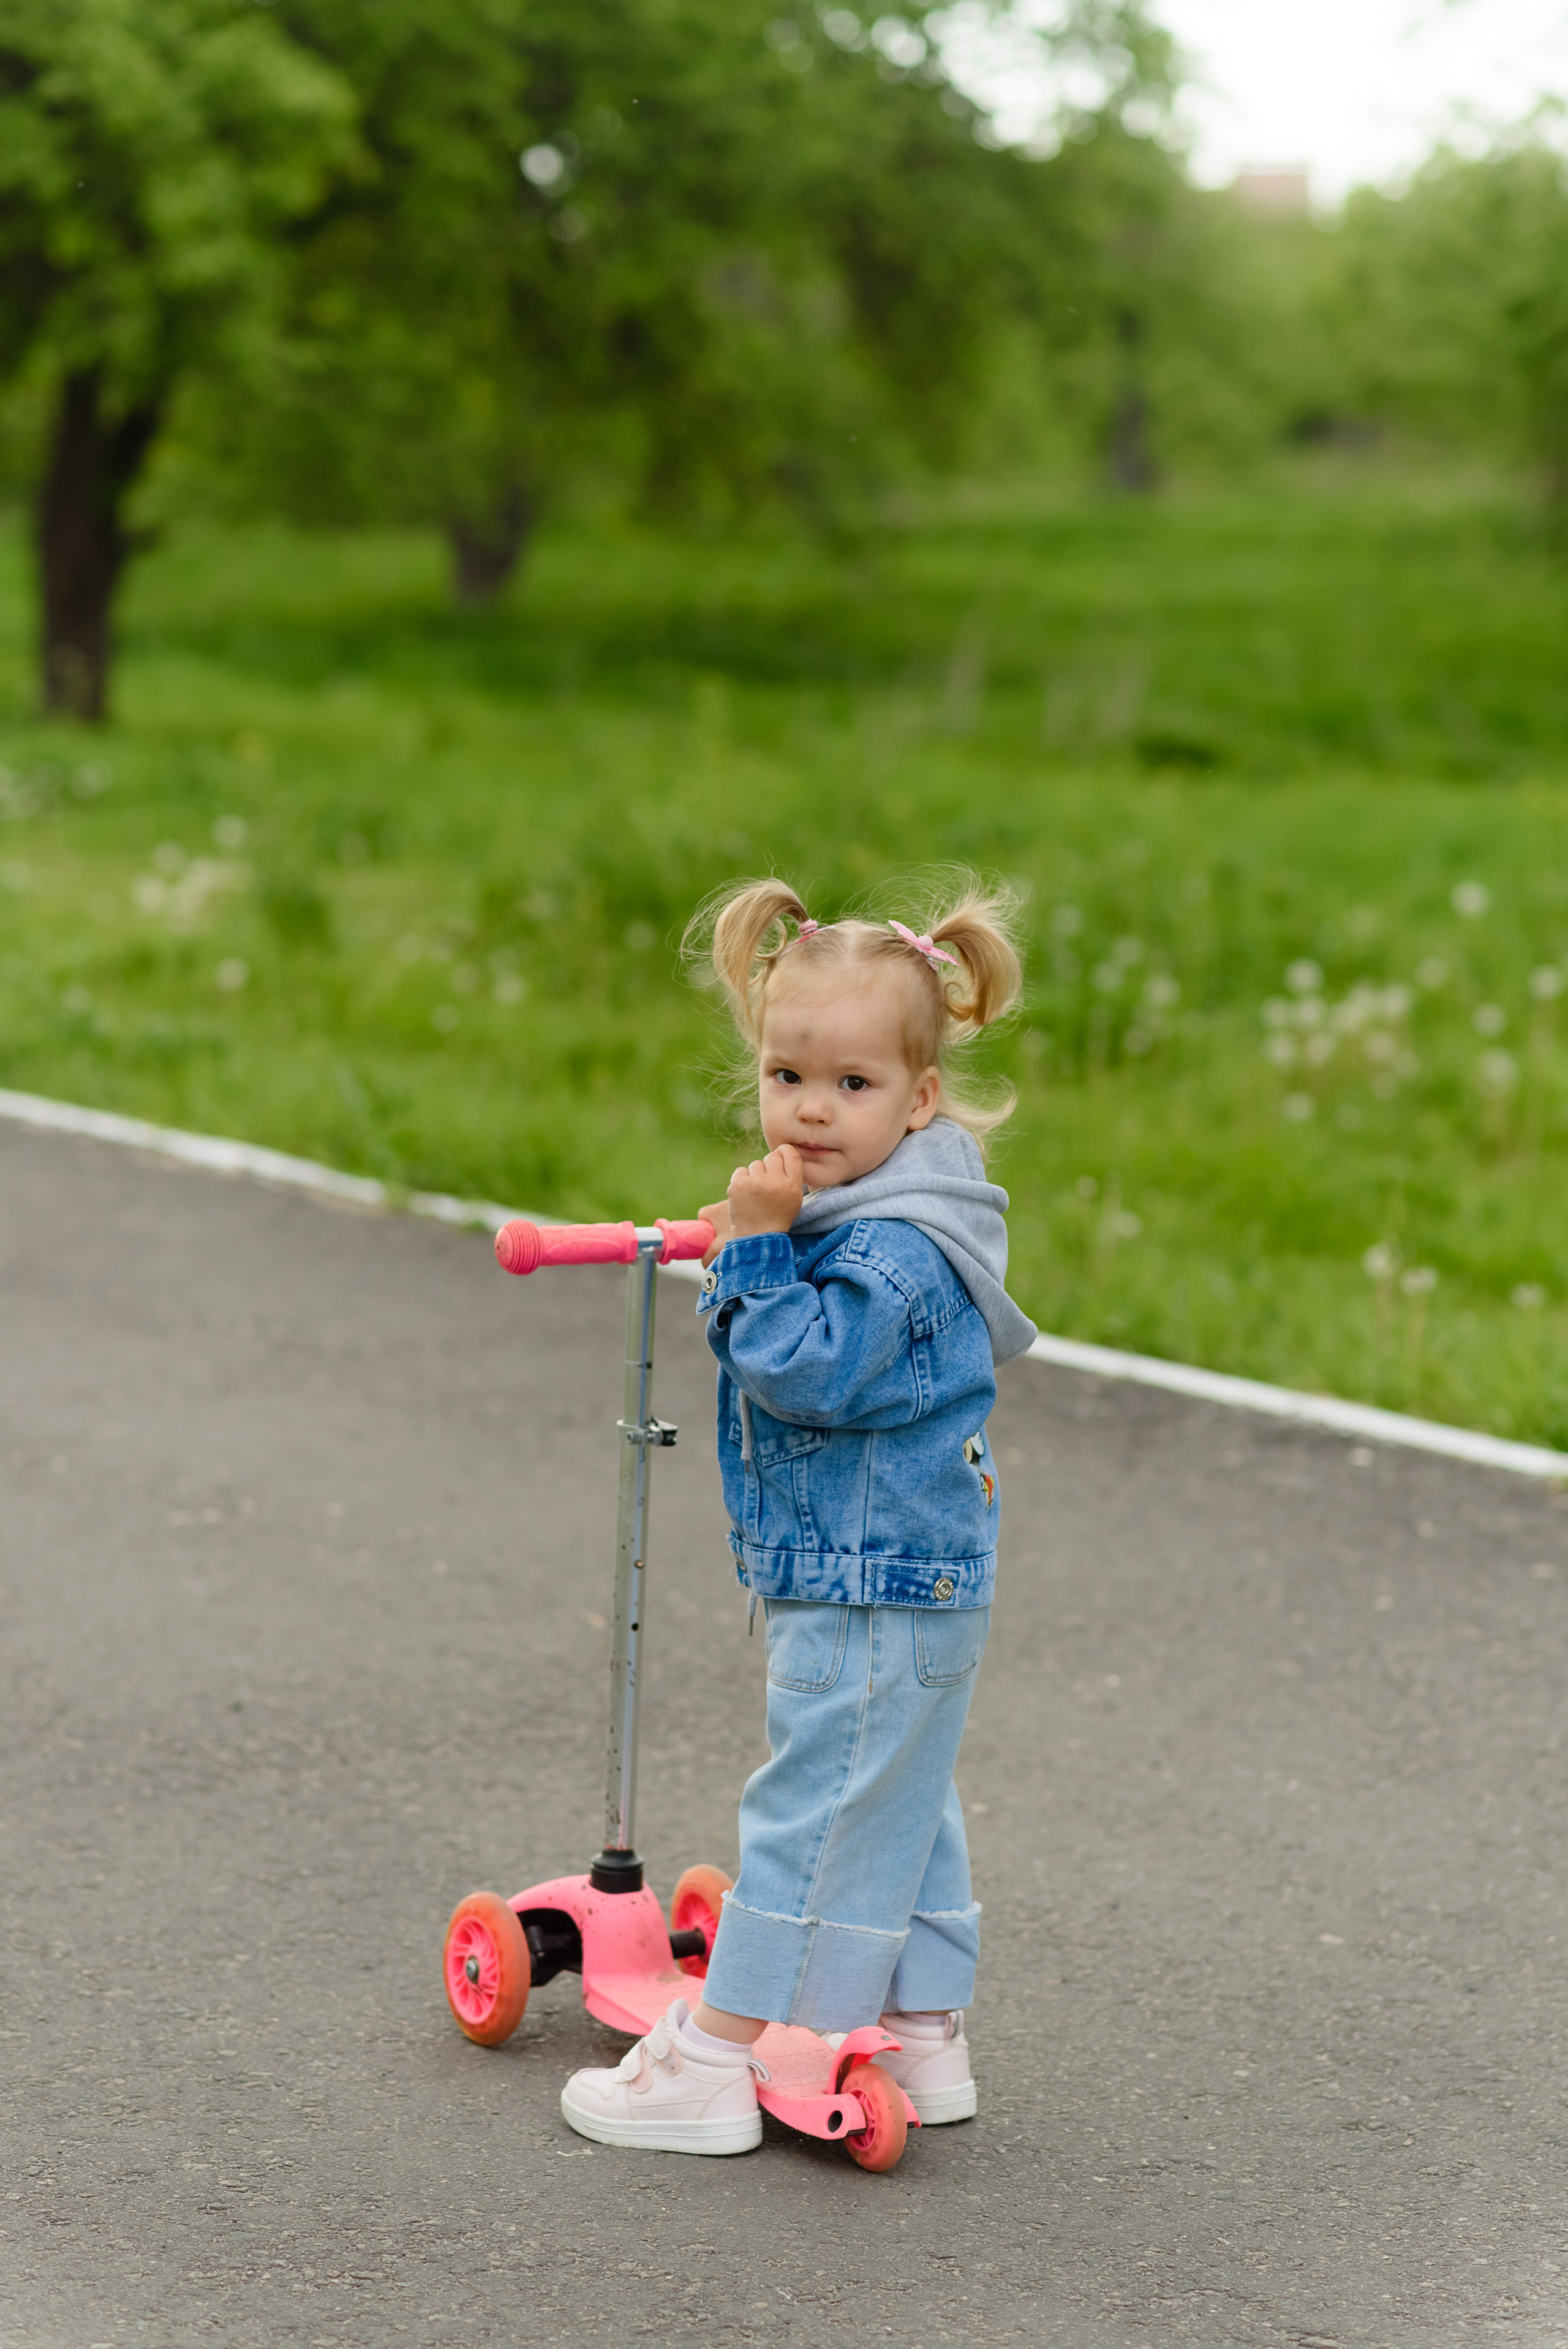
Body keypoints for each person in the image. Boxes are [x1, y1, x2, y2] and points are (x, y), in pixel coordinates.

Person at [560, 872, 1037, 2154]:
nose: (809, 1110)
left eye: (851, 1086)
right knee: (901, 1799)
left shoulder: (889, 1252)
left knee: (813, 1806)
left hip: (865, 1577)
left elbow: (804, 1370)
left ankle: (711, 2059)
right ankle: (926, 2036)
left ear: (920, 1096)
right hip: (916, 1571)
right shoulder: (909, 1206)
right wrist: (767, 1234)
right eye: (785, 1078)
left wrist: (762, 1251)